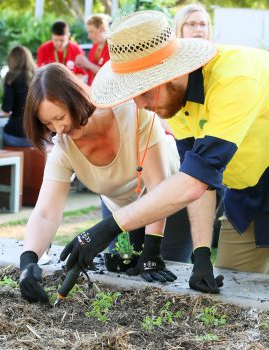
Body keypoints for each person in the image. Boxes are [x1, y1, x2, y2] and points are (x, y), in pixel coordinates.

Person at [61, 10, 269, 295]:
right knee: (237, 293)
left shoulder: (236, 78)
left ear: (174, 72)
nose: (140, 104)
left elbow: (193, 183)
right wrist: (201, 255)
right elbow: (198, 179)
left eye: (143, 91)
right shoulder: (173, 99)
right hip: (246, 199)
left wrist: (109, 228)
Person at [18, 62, 180, 303]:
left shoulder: (134, 114)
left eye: (60, 117)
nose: (58, 128)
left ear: (76, 97)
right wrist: (28, 261)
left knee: (167, 287)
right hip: (119, 214)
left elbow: (158, 188)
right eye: (48, 124)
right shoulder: (63, 148)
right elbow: (45, 213)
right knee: (124, 288)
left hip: (171, 203)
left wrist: (152, 249)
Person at [173, 3, 223, 248]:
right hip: (192, 149)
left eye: (203, 24)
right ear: (179, 29)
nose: (198, 29)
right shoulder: (173, 75)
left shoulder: (220, 65)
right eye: (191, 24)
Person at [1, 45, 36, 147]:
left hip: (16, 135)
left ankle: (7, 162)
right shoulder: (38, 77)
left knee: (4, 134)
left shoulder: (11, 78)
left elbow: (6, 109)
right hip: (37, 135)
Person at [75, 14, 111, 86]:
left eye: (91, 32)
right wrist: (84, 66)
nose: (88, 36)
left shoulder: (111, 47)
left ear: (101, 29)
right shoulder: (95, 46)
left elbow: (108, 75)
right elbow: (92, 71)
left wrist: (87, 64)